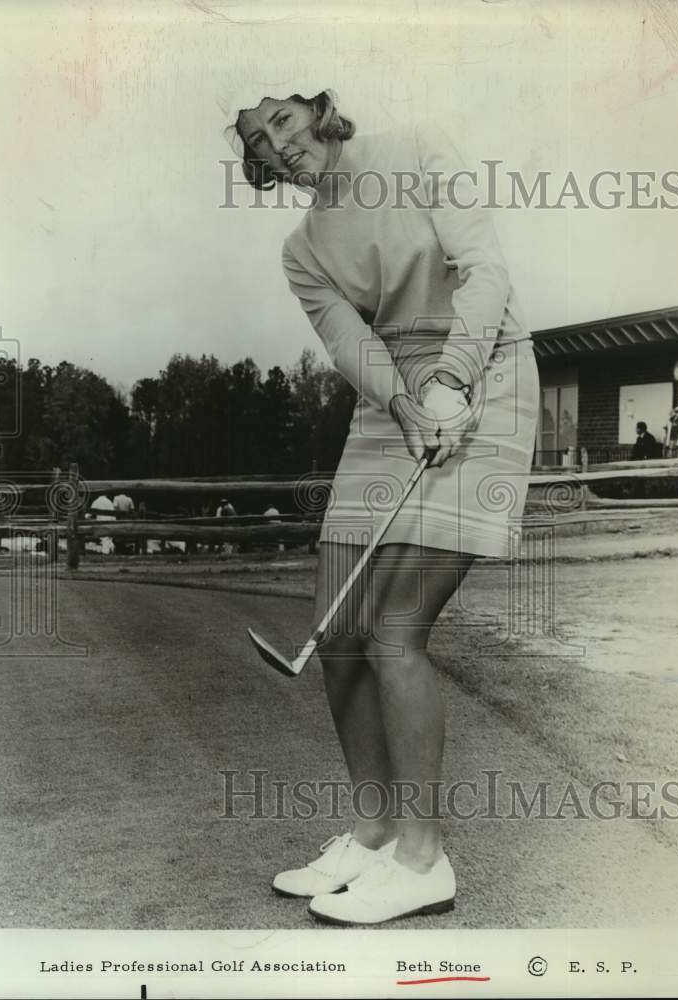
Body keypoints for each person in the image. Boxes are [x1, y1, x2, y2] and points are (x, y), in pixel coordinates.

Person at [225, 83, 539, 925]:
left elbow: (487, 269)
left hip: (488, 368)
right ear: (258, 169)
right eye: (258, 144)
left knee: (397, 625)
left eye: (283, 121)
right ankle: (371, 834)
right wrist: (405, 403)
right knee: (335, 627)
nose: (278, 145)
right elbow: (349, 341)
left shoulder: (419, 143)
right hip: (390, 401)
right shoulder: (301, 248)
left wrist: (449, 379)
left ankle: (423, 857)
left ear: (318, 111)